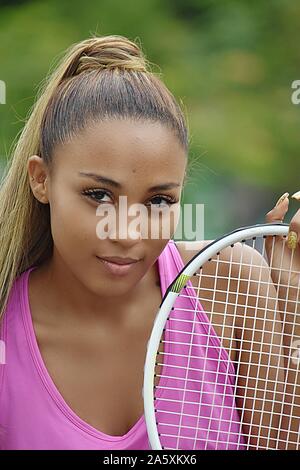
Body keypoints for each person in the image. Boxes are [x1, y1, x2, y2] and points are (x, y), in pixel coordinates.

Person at [0, 35, 299, 450]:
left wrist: (293, 306)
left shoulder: (231, 282)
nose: (127, 232)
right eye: (98, 195)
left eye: (158, 201)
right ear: (41, 179)